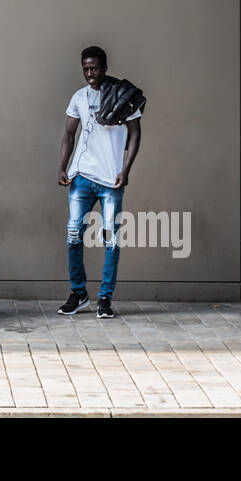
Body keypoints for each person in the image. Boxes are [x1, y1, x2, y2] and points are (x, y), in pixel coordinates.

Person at [56, 46, 142, 319]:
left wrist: (125, 169)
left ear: (104, 67)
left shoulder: (122, 95)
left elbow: (135, 133)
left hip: (110, 180)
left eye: (94, 68)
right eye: (85, 68)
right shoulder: (79, 97)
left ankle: (105, 298)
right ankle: (78, 293)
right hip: (81, 177)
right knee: (73, 236)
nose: (89, 73)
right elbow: (69, 134)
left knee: (111, 240)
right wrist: (63, 166)